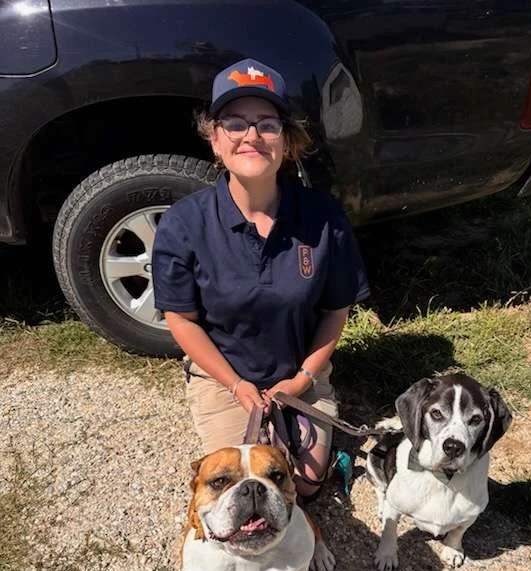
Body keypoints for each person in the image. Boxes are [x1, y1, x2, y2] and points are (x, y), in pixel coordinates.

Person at [152, 58, 369, 498]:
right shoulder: (183, 224)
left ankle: (327, 458)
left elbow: (335, 310)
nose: (251, 136)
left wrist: (304, 380)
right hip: (224, 377)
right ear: (214, 140)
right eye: (234, 123)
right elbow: (182, 320)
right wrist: (236, 384)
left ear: (286, 142)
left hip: (298, 374)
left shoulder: (323, 217)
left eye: (267, 124)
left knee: (302, 486)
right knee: (244, 486)